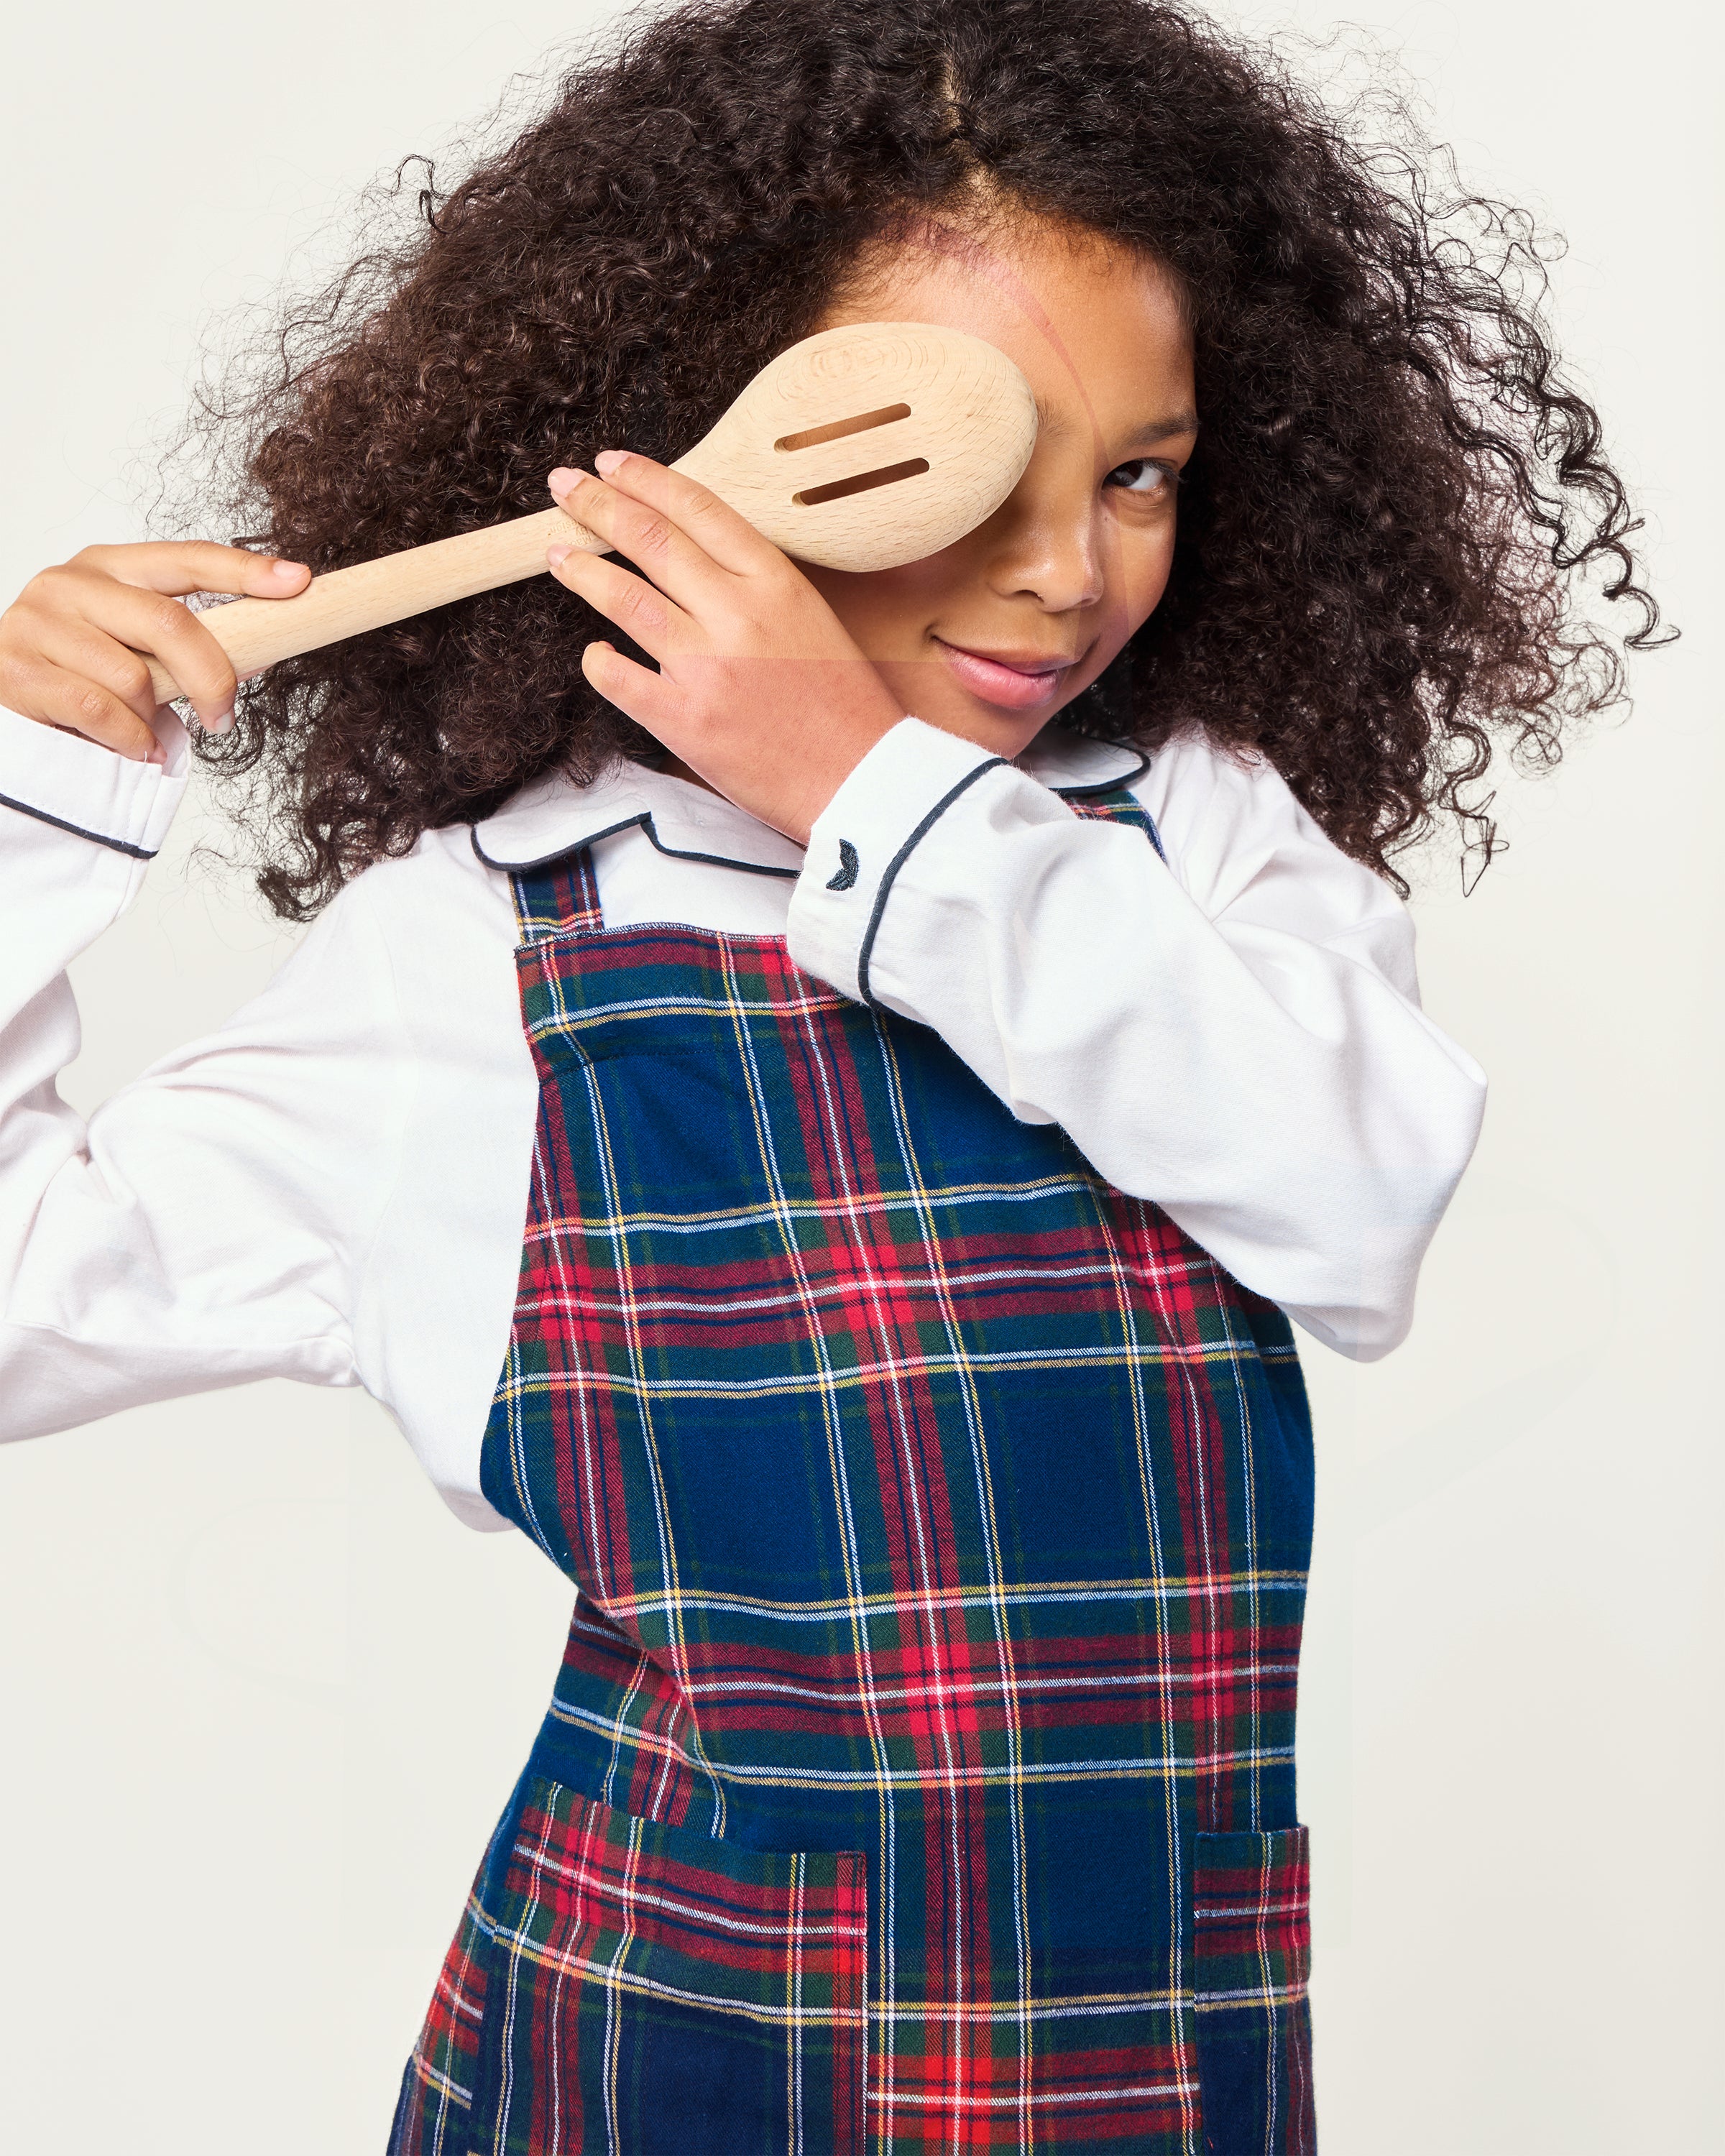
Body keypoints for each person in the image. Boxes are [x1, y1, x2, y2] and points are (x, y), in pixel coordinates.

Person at [0, 1, 1661, 2149]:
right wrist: (30, 819)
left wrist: (863, 787)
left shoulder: (1187, 839)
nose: (1072, 572)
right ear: (692, 465)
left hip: (1159, 2067)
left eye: (1141, 471)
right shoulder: (495, 956)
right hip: (670, 2065)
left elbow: (1359, 1209)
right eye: (960, 460)